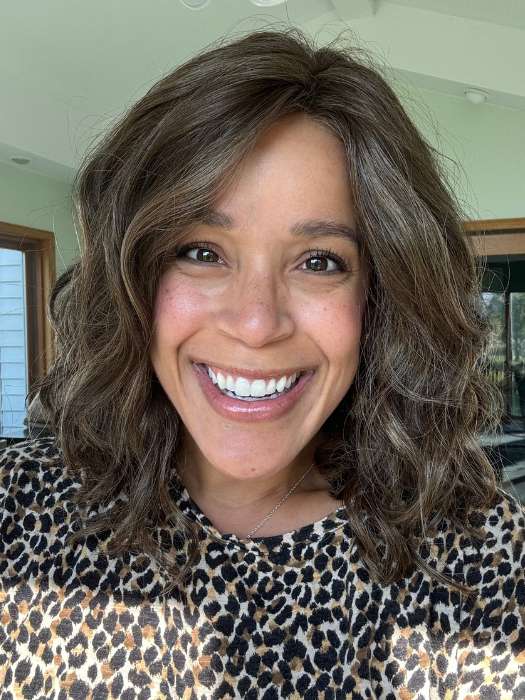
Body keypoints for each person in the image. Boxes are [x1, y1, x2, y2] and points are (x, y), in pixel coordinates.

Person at [1, 27, 523, 699]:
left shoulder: (480, 554)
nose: (255, 323)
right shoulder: (17, 505)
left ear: (381, 297)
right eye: (201, 252)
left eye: (319, 262)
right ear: (134, 276)